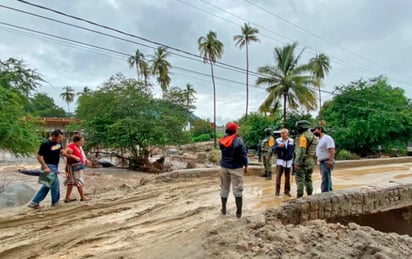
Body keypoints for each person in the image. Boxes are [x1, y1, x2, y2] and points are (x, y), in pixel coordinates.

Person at [28, 129, 65, 209]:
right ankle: (55, 203)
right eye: (59, 137)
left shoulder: (58, 143)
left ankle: (34, 202)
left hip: (55, 166)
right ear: (53, 136)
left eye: (61, 138)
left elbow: (60, 150)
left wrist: (63, 152)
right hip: (48, 166)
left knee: (47, 185)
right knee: (55, 184)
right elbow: (39, 156)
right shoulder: (45, 144)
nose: (60, 139)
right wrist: (45, 167)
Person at [219, 122, 248, 218]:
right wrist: (246, 165)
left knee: (224, 187)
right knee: (238, 189)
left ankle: (223, 209)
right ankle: (238, 213)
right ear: (235, 130)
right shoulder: (238, 140)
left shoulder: (222, 140)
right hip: (236, 167)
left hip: (224, 167)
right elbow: (243, 154)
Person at [294, 120, 318, 198]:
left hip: (303, 161)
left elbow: (301, 151)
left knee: (300, 179)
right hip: (311, 161)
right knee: (308, 179)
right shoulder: (314, 136)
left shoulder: (303, 137)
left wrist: (297, 162)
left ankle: (299, 197)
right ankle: (310, 196)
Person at [64, 135, 91, 202]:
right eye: (82, 141)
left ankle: (67, 198)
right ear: (77, 141)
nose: (83, 142)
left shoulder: (79, 147)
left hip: (78, 166)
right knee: (79, 181)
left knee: (71, 182)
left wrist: (85, 160)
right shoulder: (71, 146)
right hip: (73, 166)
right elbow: (64, 153)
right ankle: (82, 197)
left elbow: (82, 155)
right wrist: (74, 157)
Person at [312, 126, 335, 192]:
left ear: (320, 130)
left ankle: (324, 194)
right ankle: (329, 192)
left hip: (326, 161)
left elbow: (332, 149)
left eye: (315, 130)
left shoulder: (327, 138)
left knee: (325, 179)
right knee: (327, 178)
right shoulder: (319, 139)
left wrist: (330, 161)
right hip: (322, 162)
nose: (313, 132)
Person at [273, 128, 294, 197]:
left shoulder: (291, 141)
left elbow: (293, 150)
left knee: (287, 176)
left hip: (289, 161)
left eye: (283, 133)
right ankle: (277, 192)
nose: (282, 134)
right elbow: (273, 149)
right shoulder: (278, 140)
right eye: (281, 133)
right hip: (281, 161)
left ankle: (287, 191)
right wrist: (278, 146)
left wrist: (293, 160)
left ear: (287, 133)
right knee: (278, 176)